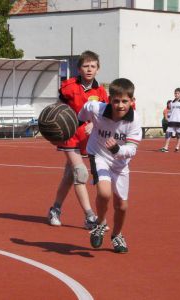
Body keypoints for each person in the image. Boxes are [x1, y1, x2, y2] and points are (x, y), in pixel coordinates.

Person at [78, 78, 142, 253]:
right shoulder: (97, 108)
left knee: (121, 205)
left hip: (120, 163)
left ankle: (117, 234)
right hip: (99, 155)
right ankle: (100, 223)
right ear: (109, 99)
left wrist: (117, 149)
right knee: (104, 193)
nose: (120, 105)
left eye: (124, 101)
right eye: (116, 101)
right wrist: (80, 122)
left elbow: (132, 149)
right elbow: (84, 111)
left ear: (132, 101)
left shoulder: (134, 120)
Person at [48, 50, 108, 229]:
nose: (89, 69)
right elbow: (58, 111)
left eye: (93, 66)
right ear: (79, 68)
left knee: (69, 175)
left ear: (98, 69)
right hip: (70, 136)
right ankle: (90, 216)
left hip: (89, 139)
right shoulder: (68, 87)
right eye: (85, 66)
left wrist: (95, 125)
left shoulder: (101, 91)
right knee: (80, 173)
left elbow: (105, 117)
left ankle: (55, 209)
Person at [160, 88, 180, 152]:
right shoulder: (172, 103)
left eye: (178, 93)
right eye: (175, 93)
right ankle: (166, 147)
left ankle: (177, 147)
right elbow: (171, 112)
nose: (176, 94)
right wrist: (168, 119)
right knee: (168, 133)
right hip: (172, 121)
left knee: (179, 134)